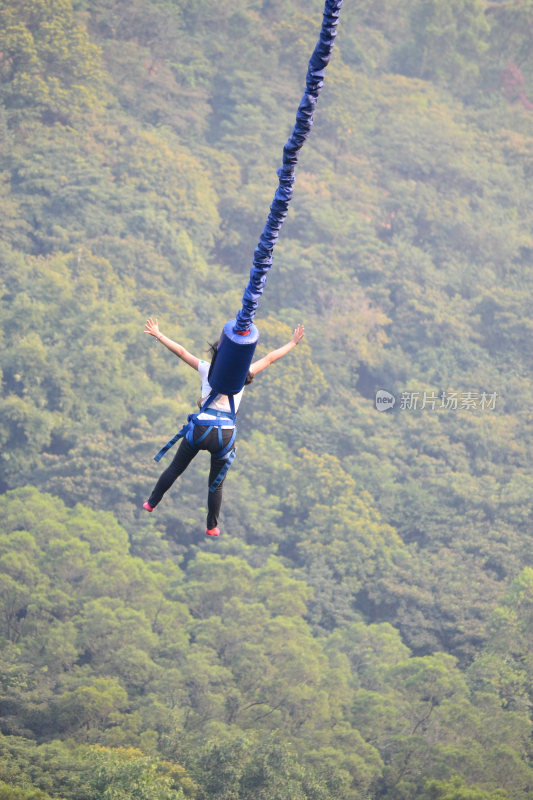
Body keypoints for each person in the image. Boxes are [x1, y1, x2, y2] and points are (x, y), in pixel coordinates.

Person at [142, 318, 305, 536]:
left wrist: (159, 335)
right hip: (225, 435)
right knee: (216, 484)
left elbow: (181, 352)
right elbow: (270, 358)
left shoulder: (206, 369)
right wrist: (293, 343)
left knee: (175, 469)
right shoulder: (245, 374)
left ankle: (152, 503)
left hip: (200, 429)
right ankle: (211, 526)